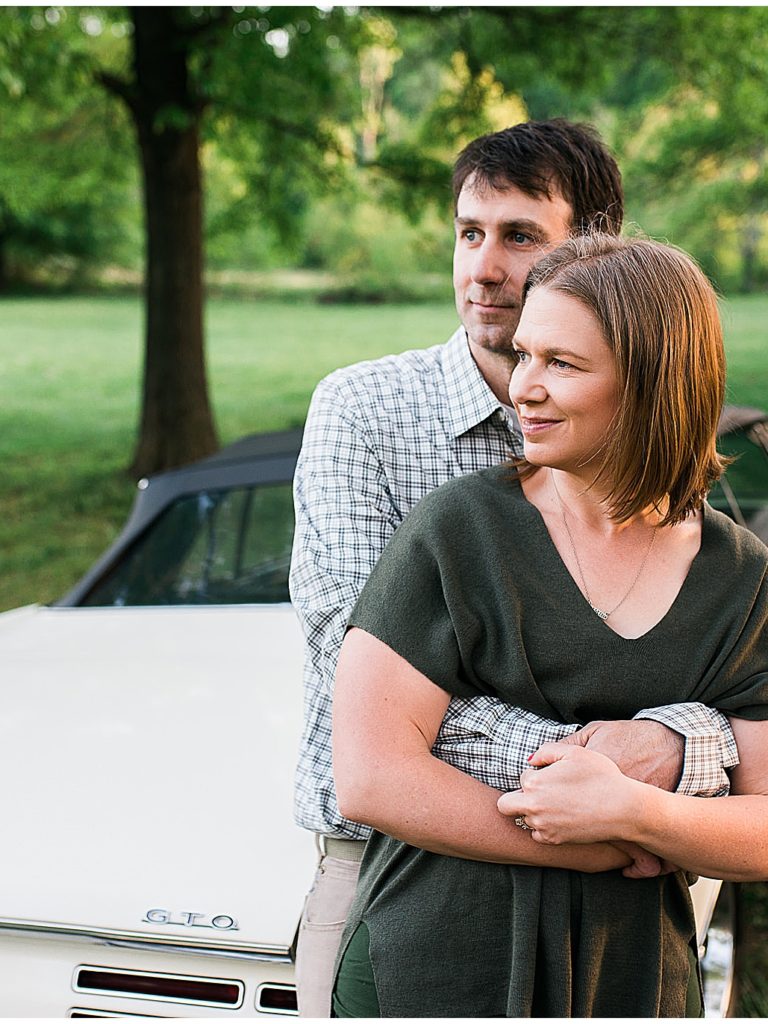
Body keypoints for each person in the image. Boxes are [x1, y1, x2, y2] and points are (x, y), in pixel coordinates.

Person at [289, 120, 736, 1017]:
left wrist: (677, 747)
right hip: (404, 868)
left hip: (631, 909)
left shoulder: (662, 467)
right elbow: (365, 689)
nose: (483, 269)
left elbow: (719, 674)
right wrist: (610, 793)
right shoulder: (368, 412)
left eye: (520, 236)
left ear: (597, 248)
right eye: (469, 232)